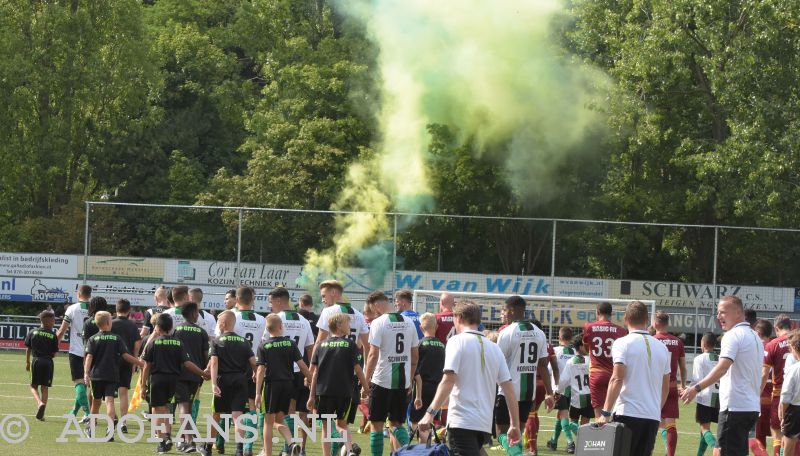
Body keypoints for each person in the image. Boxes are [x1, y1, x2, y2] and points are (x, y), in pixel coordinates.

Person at [418, 301, 521, 456]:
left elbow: (448, 380)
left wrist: (429, 413)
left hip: (462, 421)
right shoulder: (494, 348)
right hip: (483, 423)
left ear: (458, 318)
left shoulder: (456, 341)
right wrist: (515, 424)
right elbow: (509, 389)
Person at [681, 295, 764, 456]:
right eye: (718, 313)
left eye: (723, 312)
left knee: (722, 451)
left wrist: (695, 388)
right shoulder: (755, 337)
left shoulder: (733, 335)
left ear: (739, 313)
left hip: (735, 407)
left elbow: (722, 368)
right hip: (750, 407)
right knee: (722, 451)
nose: (719, 317)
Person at [597, 301, 670, 456]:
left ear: (625, 319)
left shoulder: (622, 343)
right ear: (647, 320)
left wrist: (605, 413)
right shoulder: (662, 348)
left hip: (627, 413)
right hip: (651, 416)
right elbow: (666, 386)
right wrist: (656, 409)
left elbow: (617, 378)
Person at [141, 313, 209, 454]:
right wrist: (202, 373)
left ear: (157, 328)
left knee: (157, 410)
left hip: (157, 379)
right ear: (171, 327)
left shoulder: (153, 342)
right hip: (174, 381)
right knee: (167, 408)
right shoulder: (178, 342)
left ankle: (162, 441)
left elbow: (146, 366)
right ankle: (167, 436)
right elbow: (187, 363)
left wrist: (143, 385)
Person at [496, 297, 554, 456]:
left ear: (513, 310)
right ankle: (516, 453)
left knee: (500, 431)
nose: (504, 313)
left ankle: (517, 455)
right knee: (517, 434)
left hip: (508, 391)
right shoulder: (539, 332)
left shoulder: (506, 332)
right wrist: (549, 393)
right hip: (529, 392)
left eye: (505, 310)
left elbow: (498, 363)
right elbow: (543, 365)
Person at [364, 296, 420, 455]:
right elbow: (415, 356)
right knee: (397, 424)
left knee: (376, 424)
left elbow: (373, 355)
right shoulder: (409, 322)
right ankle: (413, 452)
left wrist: (365, 381)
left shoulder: (378, 323)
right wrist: (409, 379)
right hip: (402, 382)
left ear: (375, 305)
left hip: (381, 380)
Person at [307, 313, 369, 456]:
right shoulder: (350, 345)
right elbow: (358, 369)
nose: (350, 327)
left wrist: (311, 396)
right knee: (342, 424)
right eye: (347, 324)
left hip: (323, 391)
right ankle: (349, 449)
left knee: (326, 427)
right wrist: (366, 388)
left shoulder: (321, 345)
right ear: (339, 326)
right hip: (345, 391)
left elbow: (315, 373)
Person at [254, 314, 311, 456]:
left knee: (268, 421)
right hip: (288, 385)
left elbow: (260, 370)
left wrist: (257, 393)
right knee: (279, 419)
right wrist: (311, 379)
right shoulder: (290, 343)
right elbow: (302, 366)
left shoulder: (264, 345)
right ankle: (292, 443)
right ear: (280, 327)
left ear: (268, 329)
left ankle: (268, 453)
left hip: (272, 386)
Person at [267, 287, 315, 455]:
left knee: (287, 412)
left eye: (271, 302)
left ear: (279, 301)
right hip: (302, 371)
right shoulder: (303, 320)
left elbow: (266, 345)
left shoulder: (275, 319)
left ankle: (288, 447)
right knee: (303, 412)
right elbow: (311, 349)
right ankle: (302, 449)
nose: (270, 305)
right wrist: (311, 373)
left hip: (283, 373)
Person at [83, 311, 144, 438]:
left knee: (96, 403)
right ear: (108, 323)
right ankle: (110, 431)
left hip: (96, 376)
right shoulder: (116, 338)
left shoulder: (93, 339)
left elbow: (89, 357)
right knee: (109, 402)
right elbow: (126, 356)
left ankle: (91, 428)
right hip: (112, 375)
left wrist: (86, 373)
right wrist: (140, 363)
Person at [230, 286, 266, 456]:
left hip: (233, 366)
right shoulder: (262, 319)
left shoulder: (232, 316)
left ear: (237, 299)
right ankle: (248, 446)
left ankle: (232, 445)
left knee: (233, 407)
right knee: (253, 405)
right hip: (255, 366)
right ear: (252, 300)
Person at [173, 302, 210, 453]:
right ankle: (185, 440)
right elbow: (205, 355)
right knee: (187, 408)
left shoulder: (176, 330)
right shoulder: (202, 332)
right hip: (196, 375)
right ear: (194, 313)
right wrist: (205, 372)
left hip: (179, 373)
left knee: (183, 407)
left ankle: (189, 441)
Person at [583, 301, 628, 418]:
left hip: (596, 374)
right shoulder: (621, 331)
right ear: (611, 314)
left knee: (599, 416)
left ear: (597, 312)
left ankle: (600, 436)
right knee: (614, 413)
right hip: (614, 375)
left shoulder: (589, 327)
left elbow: (587, 347)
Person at [56, 284, 92, 420]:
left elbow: (62, 330)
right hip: (93, 351)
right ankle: (73, 412)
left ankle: (88, 413)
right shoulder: (94, 308)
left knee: (79, 383)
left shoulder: (72, 308)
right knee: (84, 384)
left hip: (76, 351)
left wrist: (54, 346)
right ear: (90, 294)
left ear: (78, 294)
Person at [653, 310, 687, 456]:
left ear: (654, 323)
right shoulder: (677, 342)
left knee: (651, 421)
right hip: (672, 386)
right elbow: (683, 367)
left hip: (654, 387)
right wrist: (684, 385)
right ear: (668, 323)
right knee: (670, 423)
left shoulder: (652, 340)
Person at [410, 313, 446, 442]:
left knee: (416, 421)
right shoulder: (442, 346)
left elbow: (414, 366)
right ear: (436, 327)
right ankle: (427, 446)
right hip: (438, 388)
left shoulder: (420, 344)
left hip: (421, 387)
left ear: (420, 328)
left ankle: (423, 447)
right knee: (428, 418)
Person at [111, 298, 142, 431]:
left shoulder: (111, 323)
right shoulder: (133, 325)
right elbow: (137, 344)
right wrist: (134, 361)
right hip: (127, 362)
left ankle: (113, 418)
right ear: (129, 311)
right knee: (123, 393)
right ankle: (123, 422)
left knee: (109, 394)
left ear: (116, 310)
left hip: (111, 362)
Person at [764, 315, 793, 456]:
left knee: (777, 433)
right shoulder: (797, 342)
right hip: (798, 394)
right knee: (793, 435)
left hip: (779, 394)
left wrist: (757, 393)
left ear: (776, 328)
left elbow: (764, 374)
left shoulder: (772, 345)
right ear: (791, 326)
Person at [25, 310, 59, 421]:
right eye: (53, 320)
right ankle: (42, 413)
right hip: (48, 362)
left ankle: (39, 403)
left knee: (33, 386)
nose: (54, 322)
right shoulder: (53, 335)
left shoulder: (33, 332)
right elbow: (54, 353)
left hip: (36, 361)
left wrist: (27, 362)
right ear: (49, 321)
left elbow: (28, 348)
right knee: (45, 388)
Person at [560, 335, 592, 454]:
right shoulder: (590, 360)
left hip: (576, 397)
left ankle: (578, 443)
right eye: (585, 344)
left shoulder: (570, 362)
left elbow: (564, 379)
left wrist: (558, 391)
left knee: (573, 421)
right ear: (580, 346)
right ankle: (584, 445)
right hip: (589, 396)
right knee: (585, 423)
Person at [547, 327, 577, 452]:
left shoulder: (555, 351)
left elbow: (549, 370)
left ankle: (570, 443)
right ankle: (553, 441)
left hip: (559, 388)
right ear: (571, 338)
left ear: (559, 337)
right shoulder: (575, 352)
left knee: (563, 414)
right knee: (561, 415)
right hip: (573, 389)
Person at [692, 332, 721, 456]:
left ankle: (718, 449)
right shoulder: (720, 358)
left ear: (702, 344)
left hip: (705, 397)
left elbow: (696, 380)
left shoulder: (699, 358)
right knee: (703, 430)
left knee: (704, 429)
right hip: (719, 398)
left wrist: (688, 391)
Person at [754, 319, 775, 456]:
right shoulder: (775, 346)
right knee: (778, 437)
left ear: (758, 332)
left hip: (759, 399)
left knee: (758, 438)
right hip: (776, 399)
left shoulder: (755, 347)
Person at [780, 332, 800, 456]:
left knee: (789, 446)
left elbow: (785, 397)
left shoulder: (794, 369)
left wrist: (783, 416)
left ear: (794, 347)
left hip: (794, 411)